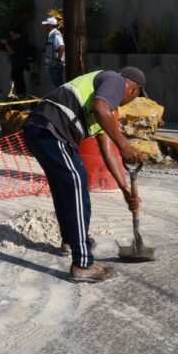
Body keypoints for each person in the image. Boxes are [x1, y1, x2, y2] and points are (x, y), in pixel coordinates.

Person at [21, 67, 148, 283]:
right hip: (52, 129)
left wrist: (125, 189)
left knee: (65, 187)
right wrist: (125, 146)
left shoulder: (104, 106)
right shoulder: (114, 80)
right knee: (78, 183)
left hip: (40, 130)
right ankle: (83, 264)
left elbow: (107, 151)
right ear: (134, 89)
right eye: (134, 97)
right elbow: (101, 109)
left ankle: (71, 241)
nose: (129, 101)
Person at [1, 30, 33, 96]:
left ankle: (21, 95)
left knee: (18, 80)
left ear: (17, 34)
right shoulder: (22, 41)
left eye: (12, 35)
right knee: (18, 79)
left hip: (18, 63)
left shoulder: (18, 42)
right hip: (20, 63)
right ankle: (21, 94)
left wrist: (6, 44)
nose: (12, 37)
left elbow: (12, 52)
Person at [42, 16, 66, 88]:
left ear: (49, 25)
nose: (45, 27)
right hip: (53, 63)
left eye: (46, 25)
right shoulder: (52, 34)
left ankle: (61, 98)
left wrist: (58, 60)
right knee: (56, 82)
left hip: (55, 63)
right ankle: (60, 97)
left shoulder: (55, 34)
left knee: (58, 83)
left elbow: (61, 47)